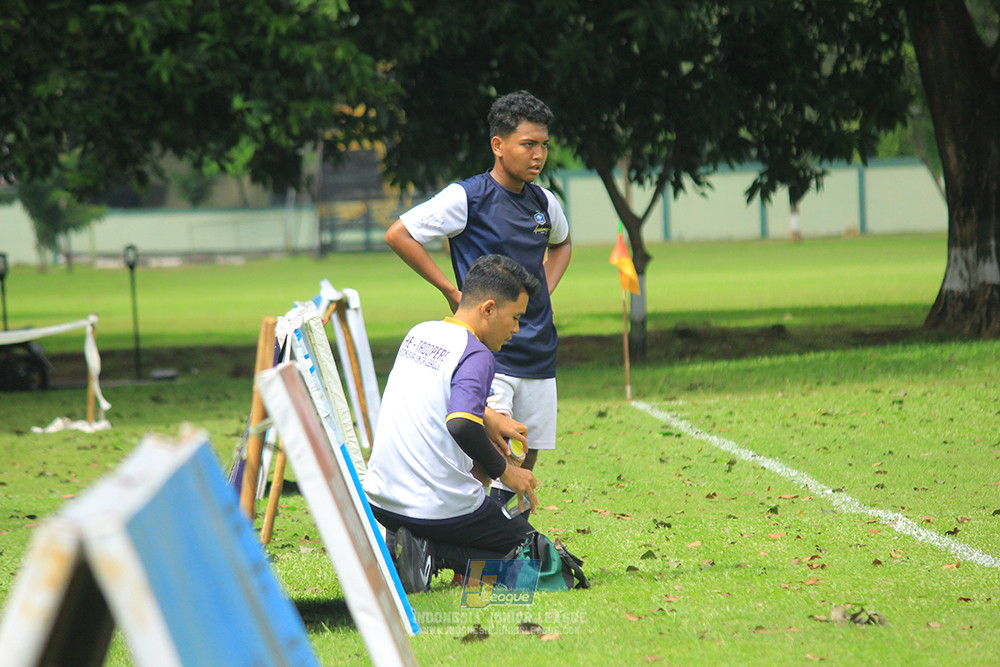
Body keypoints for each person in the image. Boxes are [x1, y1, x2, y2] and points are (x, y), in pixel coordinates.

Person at [384, 90, 572, 505]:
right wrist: (452, 291)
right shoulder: (467, 197)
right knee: (489, 458)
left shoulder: (545, 203)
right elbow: (399, 234)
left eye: (544, 145)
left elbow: (563, 244)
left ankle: (505, 546)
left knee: (527, 453)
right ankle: (467, 543)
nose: (538, 154)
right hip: (489, 351)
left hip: (540, 351)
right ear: (498, 145)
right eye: (528, 144)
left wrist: (543, 293)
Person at [363, 254, 542, 593]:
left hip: (383, 501)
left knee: (504, 549)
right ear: (488, 309)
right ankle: (436, 551)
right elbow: (460, 423)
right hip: (437, 508)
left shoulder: (421, 333)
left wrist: (490, 418)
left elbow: (436, 393)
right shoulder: (477, 354)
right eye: (515, 318)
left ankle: (421, 547)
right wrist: (507, 470)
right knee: (542, 566)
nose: (517, 330)